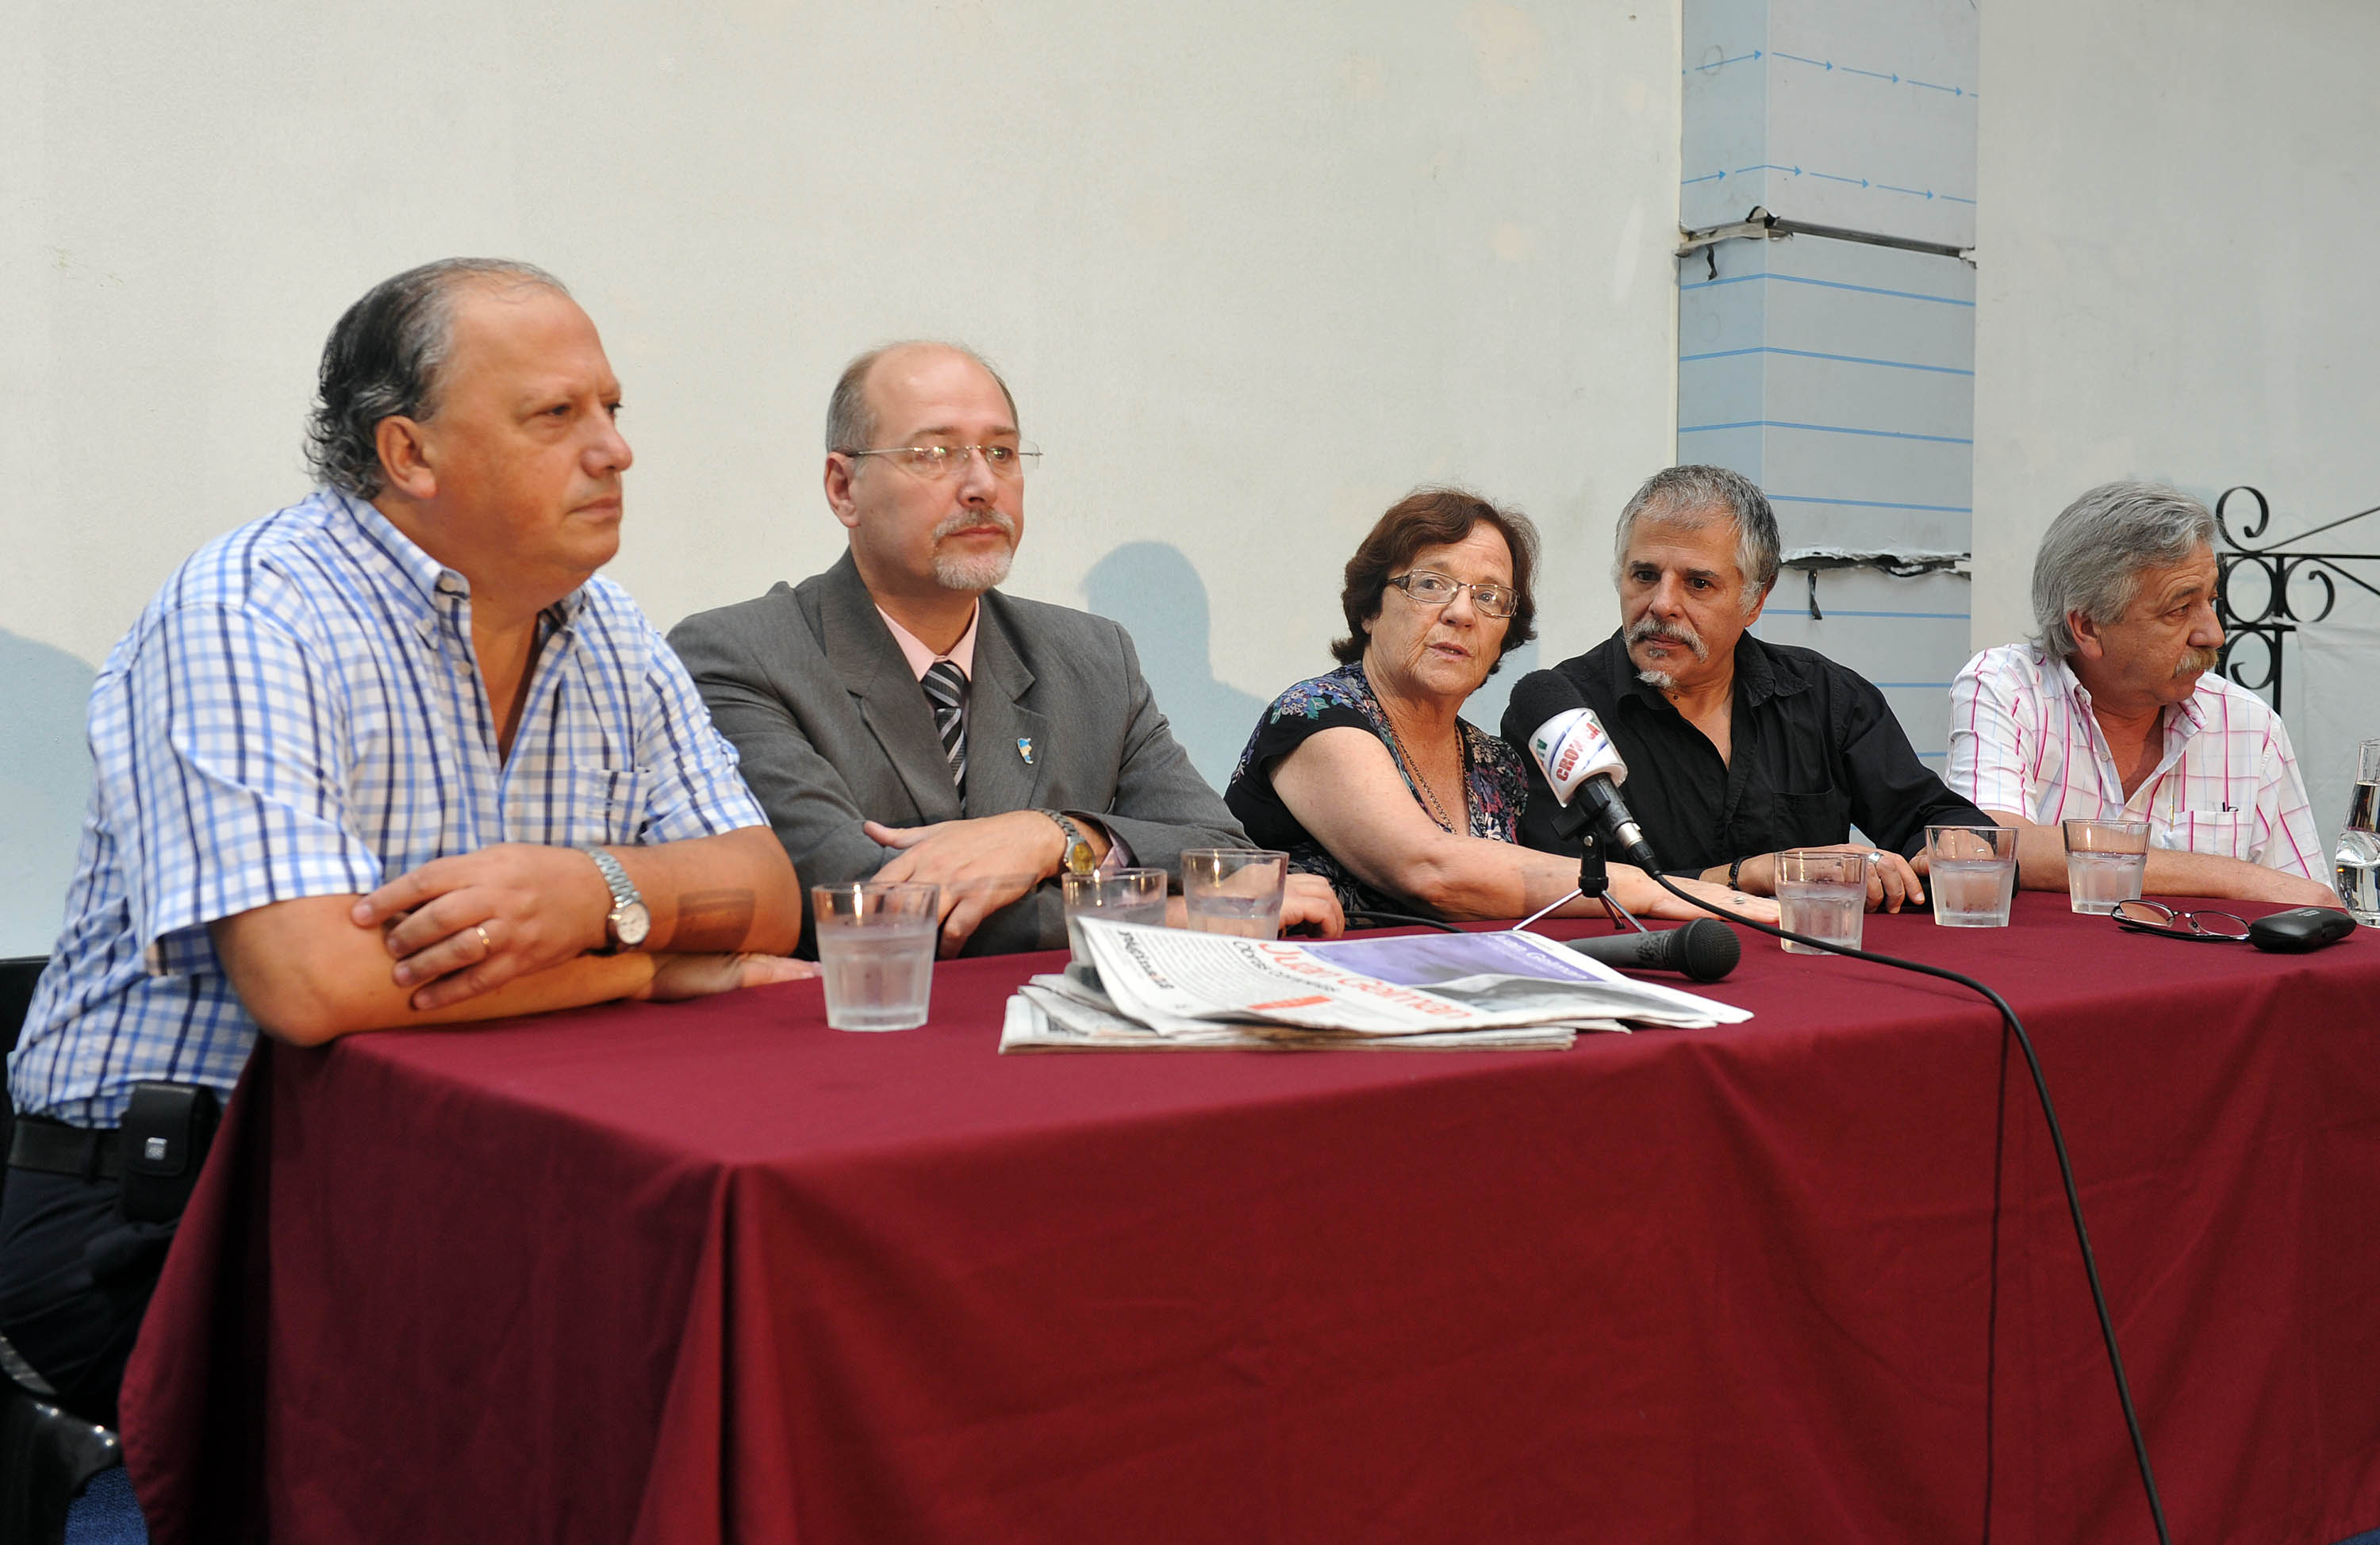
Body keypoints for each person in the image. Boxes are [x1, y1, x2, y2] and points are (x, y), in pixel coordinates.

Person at [1, 259, 808, 1428]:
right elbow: (313, 985)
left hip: (443, 1174)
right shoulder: (250, 611)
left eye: (611, 408)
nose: (616, 451)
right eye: (556, 415)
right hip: (165, 1208)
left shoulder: (608, 630)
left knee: (740, 1344)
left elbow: (765, 894)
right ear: (409, 454)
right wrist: (645, 968)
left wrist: (589, 892)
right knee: (586, 1402)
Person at [669, 341, 1340, 956]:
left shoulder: (1092, 657)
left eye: (1001, 453)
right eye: (934, 454)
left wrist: (1055, 835)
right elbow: (869, 905)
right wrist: (1174, 916)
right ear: (844, 488)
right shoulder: (741, 655)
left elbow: (1223, 854)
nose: (981, 486)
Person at [1226, 487, 1774, 926]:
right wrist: (1656, 890)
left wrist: (1718, 884)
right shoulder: (1315, 715)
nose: (1462, 613)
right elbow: (1429, 870)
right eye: (1431, 584)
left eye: (1489, 597)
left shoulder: (1497, 765)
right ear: (1370, 609)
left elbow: (1534, 887)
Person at [1504, 465, 1991, 912]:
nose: (1662, 604)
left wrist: (1947, 851)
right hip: (1645, 967)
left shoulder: (1825, 698)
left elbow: (1937, 819)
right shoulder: (1560, 714)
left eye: (1698, 583)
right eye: (1645, 575)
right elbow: (1556, 890)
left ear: (1755, 599)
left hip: (1810, 966)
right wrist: (1743, 876)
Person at [1948, 481, 2334, 903]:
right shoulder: (2009, 687)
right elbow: (1989, 845)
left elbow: (2309, 906)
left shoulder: (2248, 725)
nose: (2213, 635)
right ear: (2088, 627)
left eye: (2211, 600)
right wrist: (2236, 879)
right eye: (2180, 609)